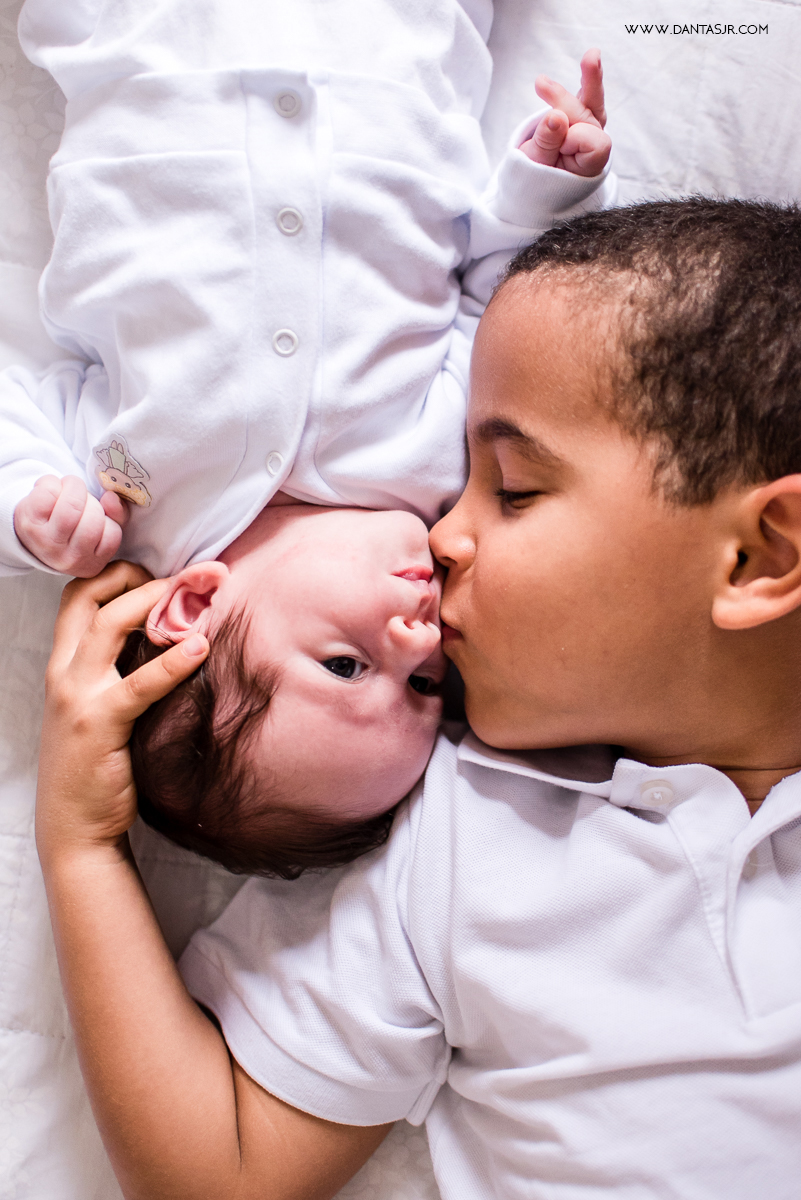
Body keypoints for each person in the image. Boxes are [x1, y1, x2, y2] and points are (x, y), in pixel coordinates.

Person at [36, 196, 801, 1199]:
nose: (439, 536)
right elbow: (212, 1177)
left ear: (757, 554)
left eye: (514, 490)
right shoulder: (447, 837)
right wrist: (81, 847)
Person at [2, 0, 613, 873]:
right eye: (426, 686)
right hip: (387, 54)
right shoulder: (441, 466)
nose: (420, 639)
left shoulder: (127, 506)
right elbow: (502, 304)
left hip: (146, 43)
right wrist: (546, 190)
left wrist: (27, 510)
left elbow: (19, 408)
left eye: (345, 666)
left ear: (192, 609)